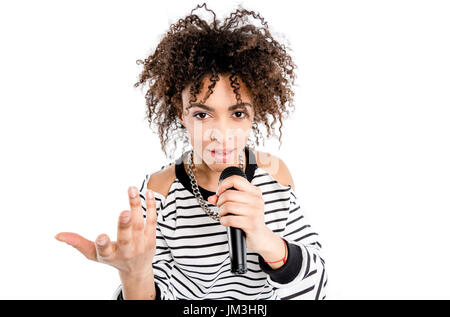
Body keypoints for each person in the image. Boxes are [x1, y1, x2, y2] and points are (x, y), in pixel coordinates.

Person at [55, 2, 328, 300]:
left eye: (237, 114)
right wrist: (136, 276)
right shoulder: (162, 190)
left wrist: (263, 239)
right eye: (202, 115)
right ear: (181, 112)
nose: (220, 135)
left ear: (254, 113)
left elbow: (315, 287)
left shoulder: (274, 176)